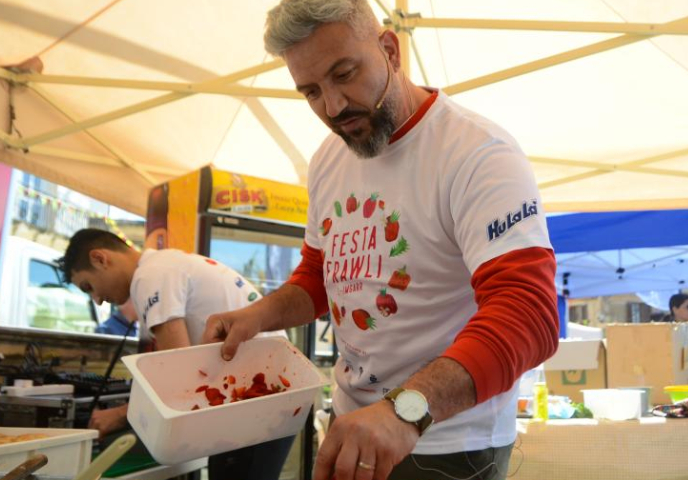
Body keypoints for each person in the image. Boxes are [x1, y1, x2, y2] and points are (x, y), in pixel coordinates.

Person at [202, 1, 559, 479]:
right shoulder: (328, 159)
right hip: (353, 426)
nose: (332, 107)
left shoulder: (478, 153)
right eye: (310, 92)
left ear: (389, 49)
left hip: (444, 442)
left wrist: (403, 412)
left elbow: (529, 314)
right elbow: (318, 277)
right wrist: (257, 316)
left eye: (345, 73)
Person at [58, 229, 294, 480]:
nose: (97, 300)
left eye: (88, 287)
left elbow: (179, 372)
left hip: (256, 400)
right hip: (263, 396)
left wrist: (118, 416)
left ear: (99, 259)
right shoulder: (164, 264)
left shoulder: (149, 277)